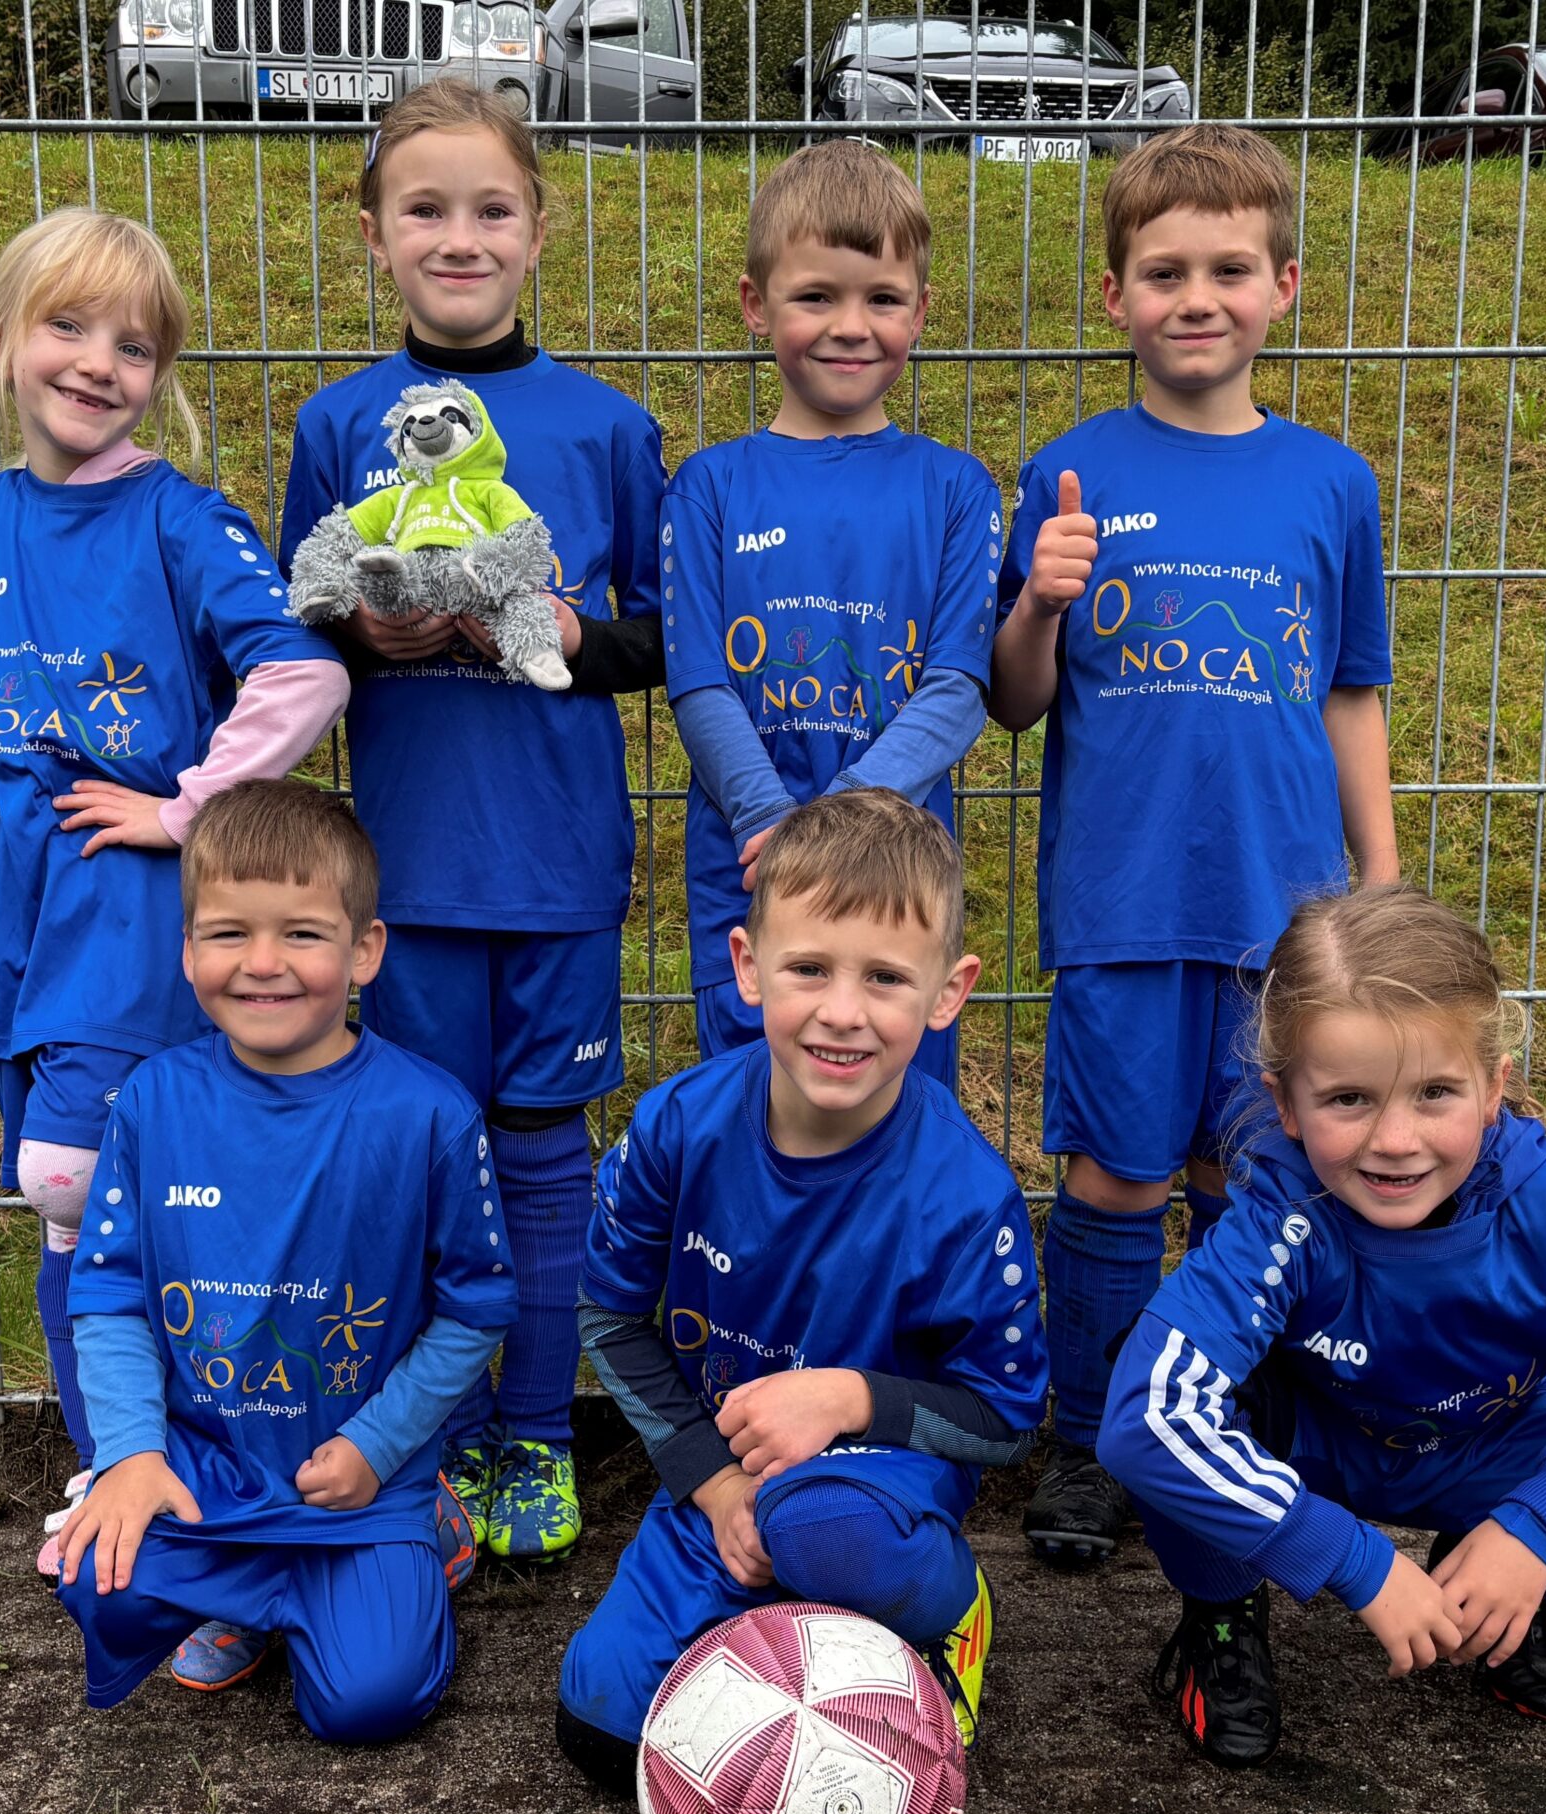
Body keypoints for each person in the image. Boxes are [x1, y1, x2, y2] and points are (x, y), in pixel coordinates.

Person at [0, 209, 349, 1573]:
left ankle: (144, 1467)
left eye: (136, 344)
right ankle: (121, 1453)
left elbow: (303, 673)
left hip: (137, 926)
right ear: (2, 343)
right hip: (15, 932)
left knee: (71, 1175)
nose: (99, 362)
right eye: (68, 327)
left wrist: (185, 808)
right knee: (89, 1211)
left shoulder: (179, 518)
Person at [1095, 884, 1546, 1768]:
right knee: (1152, 1386)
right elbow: (1151, 1415)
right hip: (1309, 1454)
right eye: (1349, 1099)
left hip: (1486, 1452)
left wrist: (1537, 1528)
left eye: (1434, 1092)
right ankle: (1222, 1613)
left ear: (1494, 1085)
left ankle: (1494, 1583)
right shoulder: (1280, 1216)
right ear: (1285, 1103)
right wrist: (1355, 1561)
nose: (1395, 1139)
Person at [990, 125, 1400, 1567]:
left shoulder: (1329, 484)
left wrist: (1382, 882)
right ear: (1115, 296)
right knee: (1112, 1178)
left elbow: (1351, 691)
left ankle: (1219, 1433)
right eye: (1163, 270)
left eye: (1230, 268)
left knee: (1255, 1183)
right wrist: (1036, 607)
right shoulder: (1067, 472)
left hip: (1284, 918)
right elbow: (1016, 705)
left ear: (1284, 285)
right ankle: (1095, 1439)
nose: (1197, 295)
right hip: (1120, 901)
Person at [278, 75, 667, 1574]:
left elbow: (662, 635)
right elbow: (303, 619)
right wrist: (361, 635)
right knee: (428, 1159)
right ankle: (419, 1444)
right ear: (374, 235)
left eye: (488, 208)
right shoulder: (338, 424)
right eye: (424, 210)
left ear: (537, 228)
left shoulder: (608, 429)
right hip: (409, 868)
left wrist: (560, 630)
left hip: (558, 862)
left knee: (543, 1154)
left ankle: (534, 1432)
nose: (459, 235)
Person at [553, 790, 1045, 1789]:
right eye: (809, 968)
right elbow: (608, 1314)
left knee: (818, 1524)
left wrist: (852, 1397)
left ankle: (945, 1611)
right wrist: (713, 1480)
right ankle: (767, 1593)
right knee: (601, 1732)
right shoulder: (676, 1129)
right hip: (725, 1475)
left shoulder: (964, 1195)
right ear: (747, 968)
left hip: (876, 1486)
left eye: (885, 978)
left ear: (947, 994)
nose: (842, 1011)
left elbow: (1005, 1421)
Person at [50, 780, 512, 1737]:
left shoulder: (428, 1113)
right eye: (228, 934)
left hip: (354, 1480)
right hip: (208, 1468)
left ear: (364, 951)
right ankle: (257, 1592)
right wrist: (131, 1455)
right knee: (93, 1580)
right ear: (188, 953)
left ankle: (419, 1537)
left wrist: (378, 1449)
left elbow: (475, 1310)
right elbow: (108, 1297)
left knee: (368, 1705)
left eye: (302, 933)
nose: (263, 964)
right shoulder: (150, 1102)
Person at [662, 140, 1000, 1088]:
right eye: (817, 296)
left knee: (894, 1107)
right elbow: (697, 680)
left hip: (897, 863)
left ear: (920, 313)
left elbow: (959, 681)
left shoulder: (957, 490)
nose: (851, 326)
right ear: (755, 304)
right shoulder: (708, 488)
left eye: (882, 299)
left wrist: (851, 812)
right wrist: (773, 821)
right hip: (751, 855)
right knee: (753, 1100)